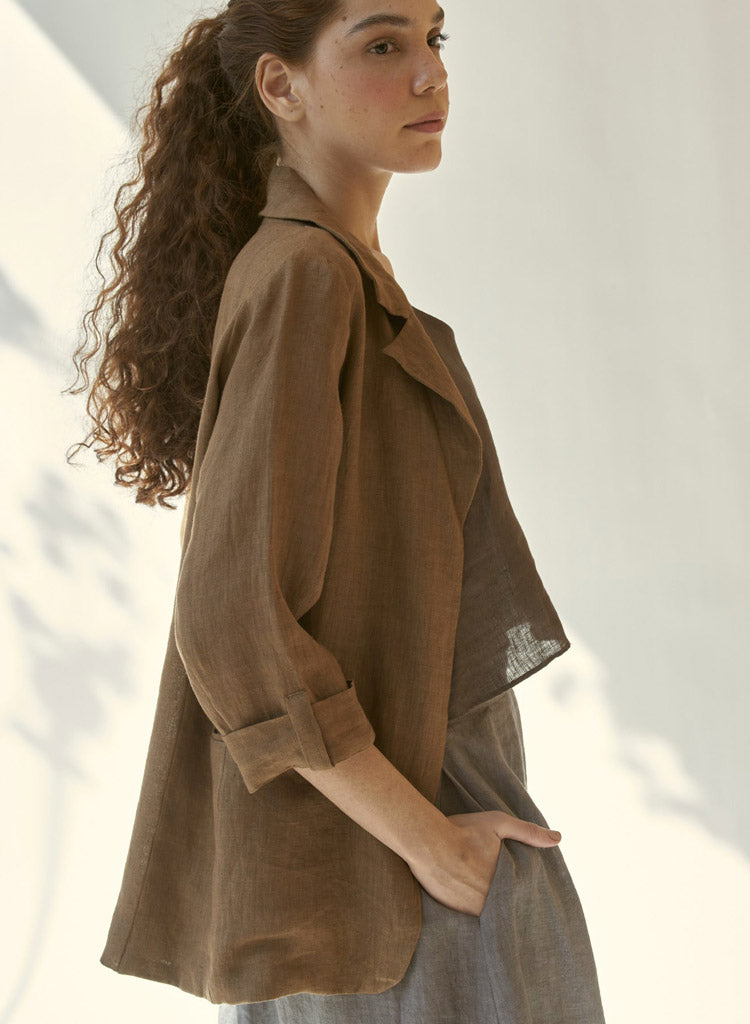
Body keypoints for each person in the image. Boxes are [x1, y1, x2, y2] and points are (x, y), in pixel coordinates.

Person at [66, 0, 608, 1021]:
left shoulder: (336, 272)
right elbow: (232, 620)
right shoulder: (306, 277)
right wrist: (428, 842)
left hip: (391, 855)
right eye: (383, 44)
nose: (429, 73)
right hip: (392, 869)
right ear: (281, 86)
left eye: (434, 39)